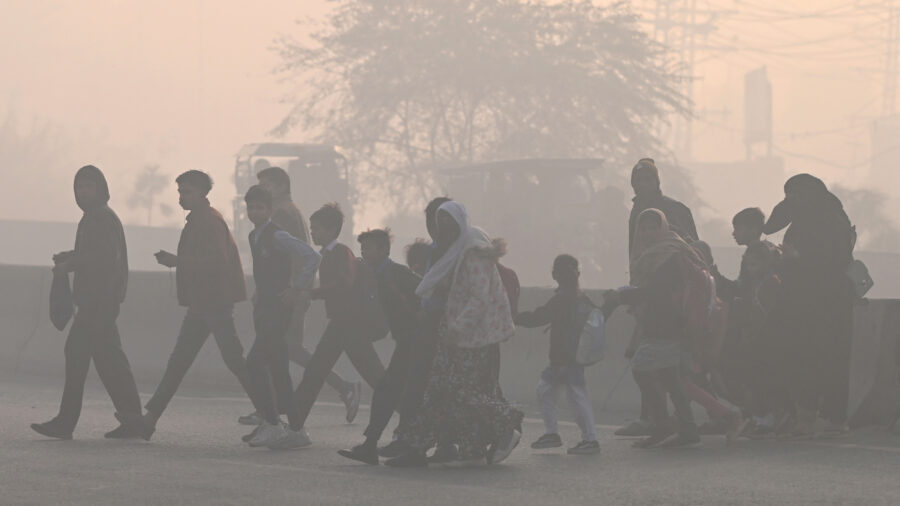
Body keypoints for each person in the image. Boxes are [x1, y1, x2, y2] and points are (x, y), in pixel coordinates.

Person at [386, 201, 523, 468]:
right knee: (438, 391)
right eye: (441, 226)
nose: (445, 232)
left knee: (460, 392)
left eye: (450, 226)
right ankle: (448, 448)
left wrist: (456, 328)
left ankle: (507, 420)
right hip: (453, 333)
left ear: (461, 226)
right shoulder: (455, 252)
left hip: (471, 338)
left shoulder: (474, 252)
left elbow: (479, 298)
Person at [238, 166, 360, 427]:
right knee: (283, 351)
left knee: (275, 352)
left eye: (268, 185)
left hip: (285, 295)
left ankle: (275, 413)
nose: (263, 193)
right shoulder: (290, 211)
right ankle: (279, 414)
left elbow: (290, 255)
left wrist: (294, 289)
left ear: (280, 187)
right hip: (290, 292)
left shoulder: (281, 215)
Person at [31, 165, 145, 440]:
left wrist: (71, 264)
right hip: (100, 302)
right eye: (79, 186)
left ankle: (66, 423)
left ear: (100, 189)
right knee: (109, 361)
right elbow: (92, 252)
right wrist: (69, 256)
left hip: (98, 303)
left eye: (88, 186)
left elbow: (104, 258)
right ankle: (133, 420)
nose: (83, 191)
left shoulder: (100, 218)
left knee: (82, 357)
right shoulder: (95, 217)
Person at [139, 170, 254, 439]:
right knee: (180, 362)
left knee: (234, 361)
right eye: (180, 192)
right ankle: (150, 419)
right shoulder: (201, 220)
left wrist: (178, 261)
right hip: (203, 304)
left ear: (202, 193)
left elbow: (217, 262)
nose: (181, 197)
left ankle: (272, 417)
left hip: (214, 304)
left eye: (187, 192)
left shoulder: (208, 222)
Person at [763, 174, 855, 438]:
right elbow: (770, 227)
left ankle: (832, 417)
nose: (794, 200)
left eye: (798, 194)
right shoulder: (800, 216)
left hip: (829, 301)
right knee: (803, 357)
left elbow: (834, 259)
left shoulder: (832, 219)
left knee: (829, 359)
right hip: (802, 300)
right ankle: (805, 414)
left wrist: (798, 257)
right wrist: (787, 203)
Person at [605, 209, 704, 449]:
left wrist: (623, 297)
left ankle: (663, 425)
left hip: (666, 321)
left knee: (642, 369)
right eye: (644, 228)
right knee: (670, 375)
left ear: (662, 228)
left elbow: (658, 292)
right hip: (664, 321)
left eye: (653, 227)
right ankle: (686, 427)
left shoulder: (668, 254)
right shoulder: (659, 253)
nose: (648, 232)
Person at [618, 158, 700, 438]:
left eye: (647, 181)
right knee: (663, 367)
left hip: (669, 300)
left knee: (656, 365)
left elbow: (687, 252)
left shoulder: (670, 212)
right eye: (638, 181)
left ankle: (662, 422)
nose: (642, 186)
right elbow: (637, 254)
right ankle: (667, 421)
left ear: (656, 182)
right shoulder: (637, 211)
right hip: (647, 292)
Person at [291, 203, 385, 443]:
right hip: (341, 324)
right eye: (312, 228)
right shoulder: (326, 254)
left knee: (376, 378)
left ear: (333, 229)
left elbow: (344, 284)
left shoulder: (341, 253)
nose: (313, 233)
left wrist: (313, 294)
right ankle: (294, 426)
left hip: (349, 324)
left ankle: (415, 421)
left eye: (318, 229)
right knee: (315, 373)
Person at [239, 185, 321, 449]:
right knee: (279, 370)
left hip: (278, 310)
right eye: (251, 207)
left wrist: (297, 288)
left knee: (253, 363)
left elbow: (311, 255)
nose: (255, 212)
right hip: (264, 308)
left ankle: (273, 423)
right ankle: (296, 429)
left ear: (270, 210)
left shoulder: (277, 235)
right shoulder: (254, 236)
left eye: (260, 207)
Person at [338, 229, 423, 465]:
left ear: (385, 250)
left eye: (370, 248)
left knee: (395, 391)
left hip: (417, 341)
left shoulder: (397, 274)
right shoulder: (375, 275)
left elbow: (425, 296)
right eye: (363, 248)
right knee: (394, 391)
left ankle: (395, 446)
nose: (364, 252)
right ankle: (383, 444)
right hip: (407, 341)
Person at [515, 254, 601, 455]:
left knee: (574, 395)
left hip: (565, 358)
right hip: (569, 357)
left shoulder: (562, 299)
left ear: (554, 275)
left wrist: (514, 317)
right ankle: (556, 434)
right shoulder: (581, 298)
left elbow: (539, 317)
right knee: (550, 390)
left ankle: (589, 439)